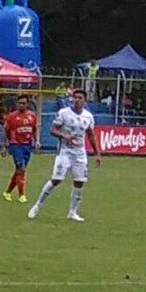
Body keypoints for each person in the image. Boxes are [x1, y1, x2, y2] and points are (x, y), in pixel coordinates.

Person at [28, 88, 102, 222]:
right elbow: (52, 130)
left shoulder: (88, 116)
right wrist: (64, 136)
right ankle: (37, 206)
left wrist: (97, 154)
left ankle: (72, 212)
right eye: (75, 97)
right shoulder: (64, 113)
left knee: (79, 182)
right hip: (65, 152)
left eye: (80, 98)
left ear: (85, 101)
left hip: (80, 153)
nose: (77, 100)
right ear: (71, 99)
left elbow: (91, 135)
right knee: (56, 180)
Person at [1, 95, 39, 202]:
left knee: (20, 170)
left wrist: (36, 142)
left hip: (27, 145)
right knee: (21, 168)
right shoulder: (11, 117)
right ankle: (22, 195)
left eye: (24, 103)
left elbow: (34, 130)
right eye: (20, 103)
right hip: (16, 145)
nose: (22, 105)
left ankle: (7, 192)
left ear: (27, 104)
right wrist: (4, 146)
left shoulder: (32, 116)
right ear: (17, 104)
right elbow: (5, 132)